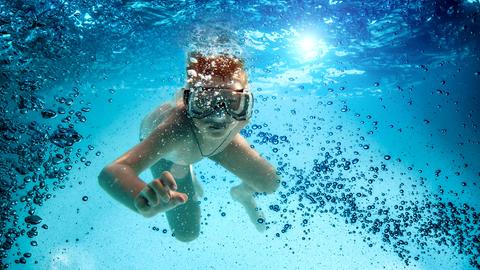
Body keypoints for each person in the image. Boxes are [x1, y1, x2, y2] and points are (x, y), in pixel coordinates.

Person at [98, 52, 280, 242]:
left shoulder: (239, 118)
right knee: (187, 233)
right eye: (205, 102)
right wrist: (139, 197)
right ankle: (184, 169)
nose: (219, 117)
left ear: (246, 100)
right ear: (187, 102)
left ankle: (241, 193)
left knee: (270, 182)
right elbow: (112, 171)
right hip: (171, 154)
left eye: (232, 102)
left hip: (213, 145)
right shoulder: (175, 130)